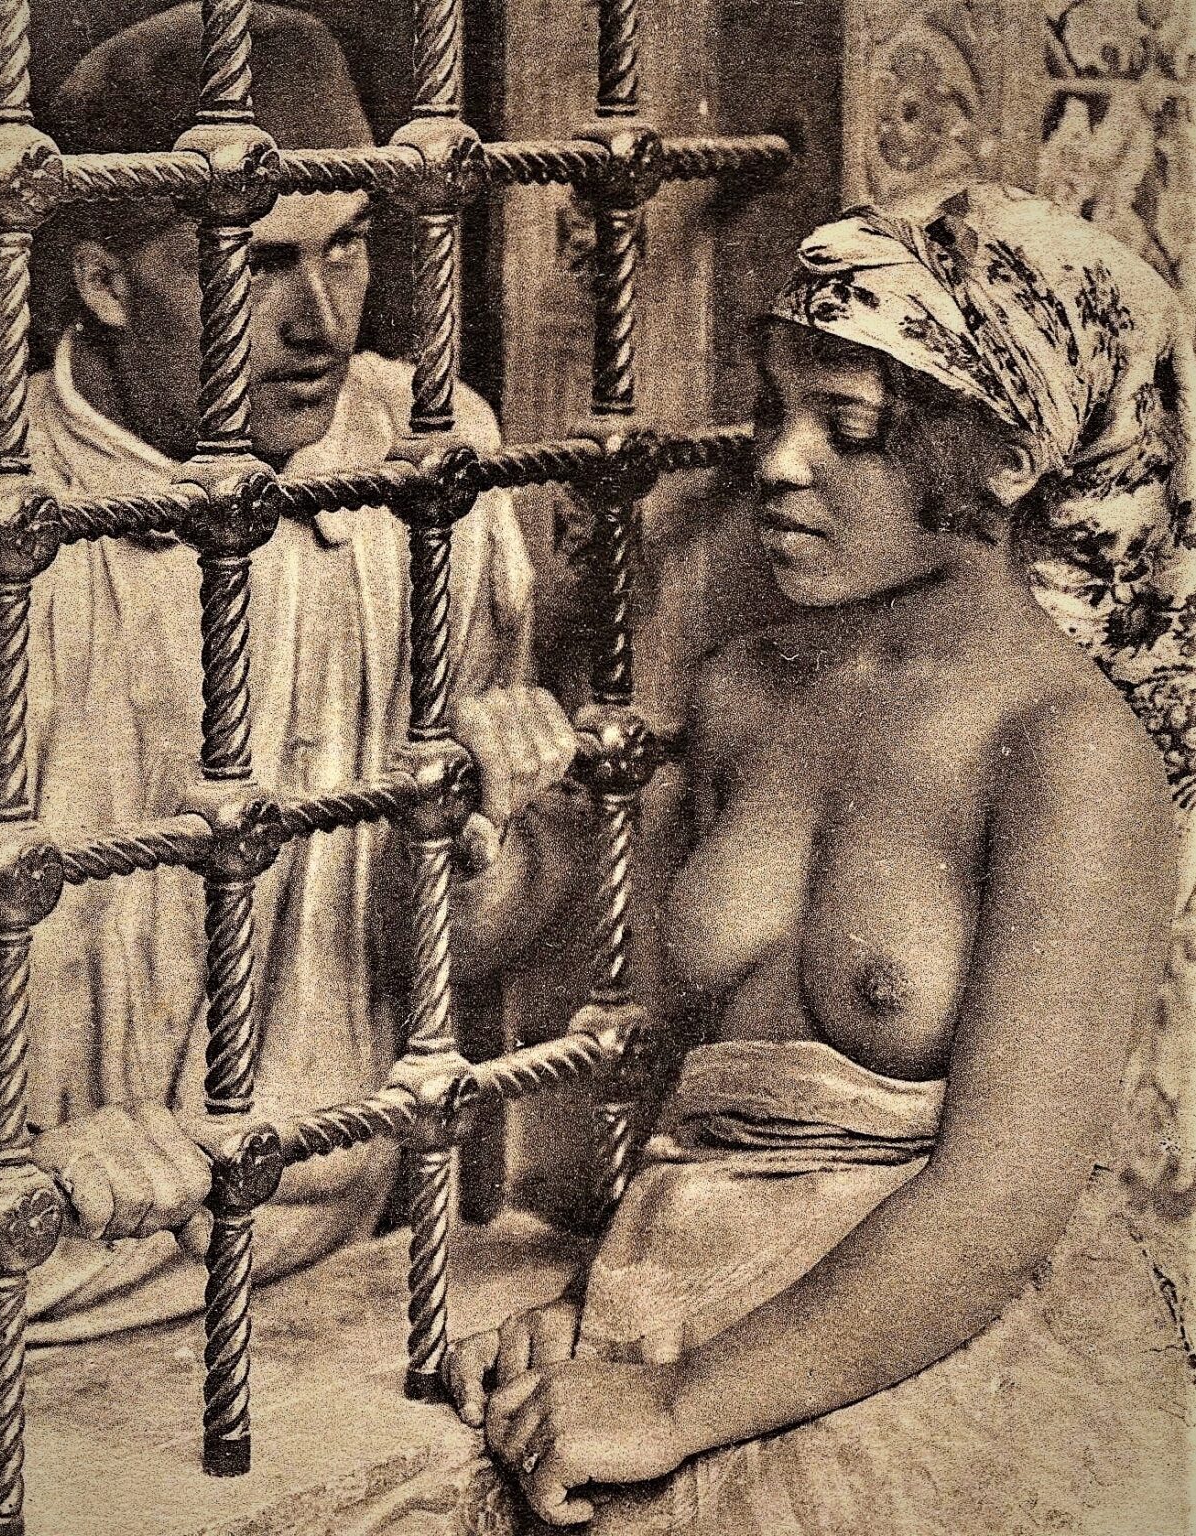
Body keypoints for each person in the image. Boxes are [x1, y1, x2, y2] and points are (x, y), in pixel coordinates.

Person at [444, 185, 1195, 1532]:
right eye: (773, 413)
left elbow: (997, 1207)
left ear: (1001, 459)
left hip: (916, 1346)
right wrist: (596, 1307)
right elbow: (669, 1070)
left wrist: (674, 1404)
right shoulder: (742, 691)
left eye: (845, 426)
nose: (780, 465)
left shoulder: (1070, 754)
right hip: (671, 1303)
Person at [0, 4, 578, 1345]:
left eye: (347, 247)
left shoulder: (428, 460)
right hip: (22, 1295)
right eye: (260, 263)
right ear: (104, 281)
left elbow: (454, 960)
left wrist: (478, 841)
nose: (323, 322)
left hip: (328, 1259)